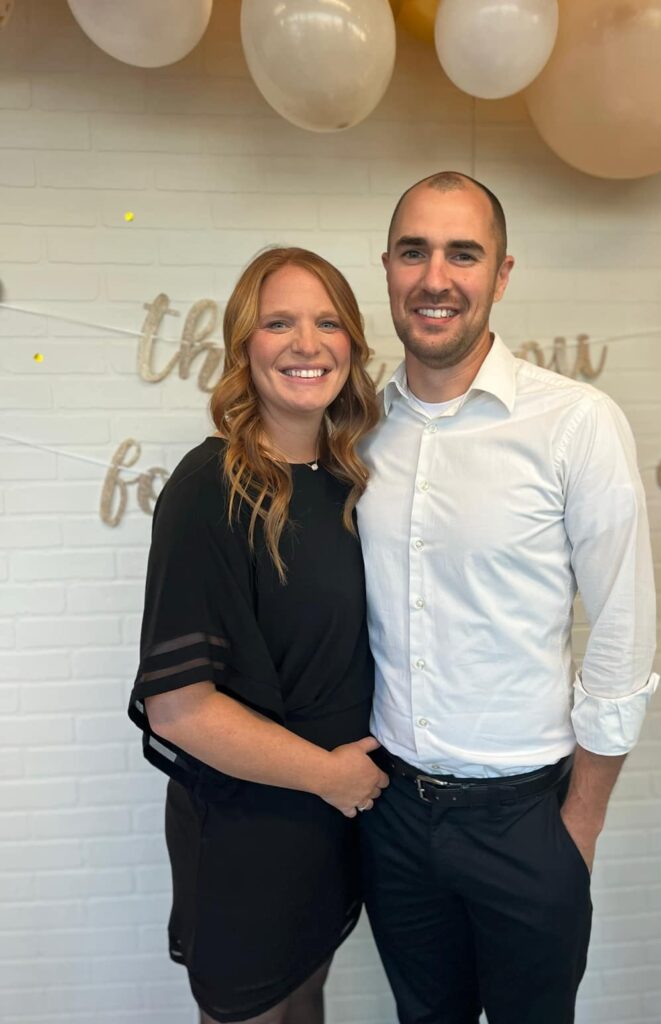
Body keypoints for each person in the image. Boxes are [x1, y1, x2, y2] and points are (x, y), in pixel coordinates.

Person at [356, 172, 659, 1024]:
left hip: (526, 822)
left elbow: (624, 629)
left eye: (463, 253)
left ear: (501, 273)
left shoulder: (574, 423)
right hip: (391, 815)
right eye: (413, 252)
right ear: (387, 268)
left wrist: (579, 825)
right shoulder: (357, 428)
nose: (435, 278)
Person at [127, 247, 388, 1024]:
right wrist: (328, 776)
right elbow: (180, 709)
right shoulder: (208, 488)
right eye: (279, 323)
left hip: (331, 823)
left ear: (351, 345)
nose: (306, 344)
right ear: (245, 345)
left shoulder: (348, 483)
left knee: (306, 1001)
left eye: (327, 323)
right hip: (251, 829)